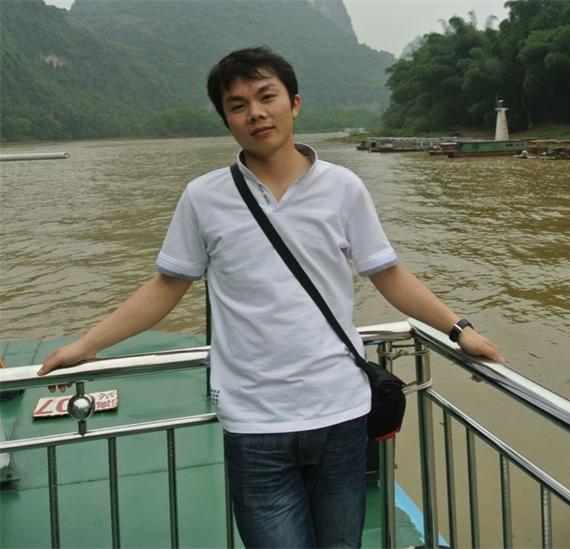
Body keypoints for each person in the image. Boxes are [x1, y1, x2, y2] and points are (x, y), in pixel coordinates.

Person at [38, 47, 503, 548]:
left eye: (267, 97)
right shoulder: (203, 197)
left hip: (341, 412)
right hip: (254, 422)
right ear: (227, 120)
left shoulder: (343, 188)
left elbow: (387, 273)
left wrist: (459, 330)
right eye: (238, 105)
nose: (255, 113)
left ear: (294, 103)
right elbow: (166, 286)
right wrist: (86, 344)